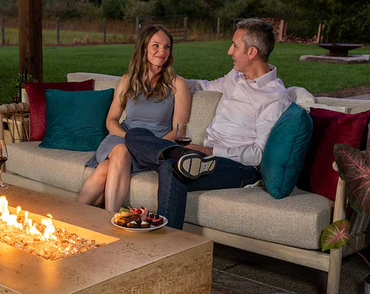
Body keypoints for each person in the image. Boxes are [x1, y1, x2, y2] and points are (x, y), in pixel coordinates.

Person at [124, 18, 291, 229]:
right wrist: (168, 81)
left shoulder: (273, 98)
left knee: (170, 167)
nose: (229, 51)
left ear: (251, 52)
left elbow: (258, 155)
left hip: (238, 168)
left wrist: (208, 150)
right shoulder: (236, 76)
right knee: (134, 135)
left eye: (235, 46)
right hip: (201, 158)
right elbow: (205, 86)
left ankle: (168, 241)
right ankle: (177, 153)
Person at [76, 25, 190, 213]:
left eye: (167, 47)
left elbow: (179, 131)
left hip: (154, 145)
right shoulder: (128, 80)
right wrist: (129, 139)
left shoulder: (178, 84)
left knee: (104, 169)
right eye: (156, 45)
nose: (162, 51)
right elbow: (111, 120)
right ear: (144, 48)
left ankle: (75, 217)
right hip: (122, 138)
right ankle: (111, 218)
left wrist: (149, 146)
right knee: (121, 150)